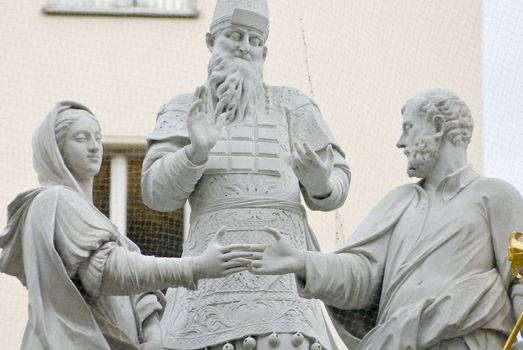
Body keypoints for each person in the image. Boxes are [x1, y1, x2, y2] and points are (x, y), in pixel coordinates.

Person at [141, 0, 351, 348]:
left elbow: (338, 179)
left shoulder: (293, 105)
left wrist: (321, 183)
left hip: (283, 286)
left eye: (255, 41)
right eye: (235, 35)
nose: (245, 46)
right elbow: (156, 193)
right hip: (210, 281)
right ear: (211, 41)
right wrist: (195, 152)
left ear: (264, 52)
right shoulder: (184, 107)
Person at [249, 89, 523, 349]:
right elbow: (362, 274)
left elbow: (520, 276)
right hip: (397, 341)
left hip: (470, 339)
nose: (401, 142)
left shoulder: (496, 195)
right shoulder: (400, 202)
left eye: (409, 128)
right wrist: (303, 261)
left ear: (438, 126)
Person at [0, 101, 261, 350]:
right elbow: (106, 271)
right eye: (81, 138)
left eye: (98, 138)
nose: (94, 147)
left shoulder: (99, 223)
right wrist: (196, 267)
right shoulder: (54, 200)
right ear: (55, 150)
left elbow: (139, 294)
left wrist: (152, 333)